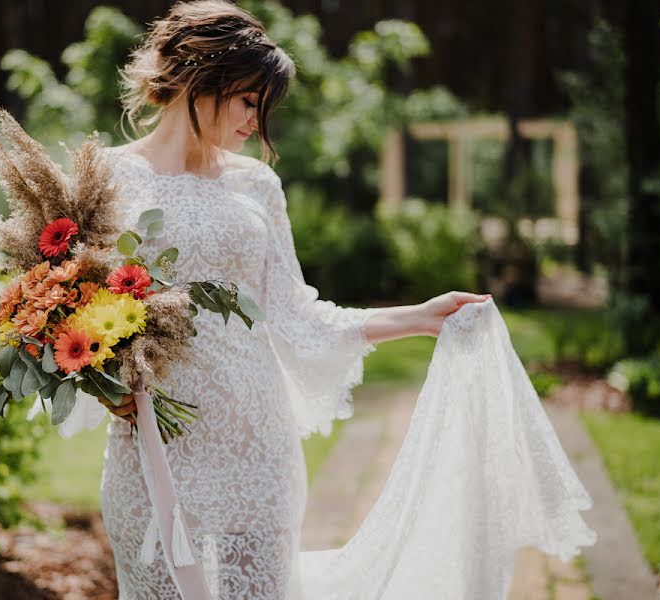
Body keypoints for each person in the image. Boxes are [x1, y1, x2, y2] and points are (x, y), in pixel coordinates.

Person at [95, 1, 489, 597]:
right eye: (248, 100)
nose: (257, 121)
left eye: (263, 106)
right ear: (200, 77)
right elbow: (66, 311)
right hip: (156, 441)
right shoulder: (105, 177)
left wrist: (420, 317)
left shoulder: (256, 184)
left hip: (257, 446)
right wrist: (104, 382)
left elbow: (295, 315)